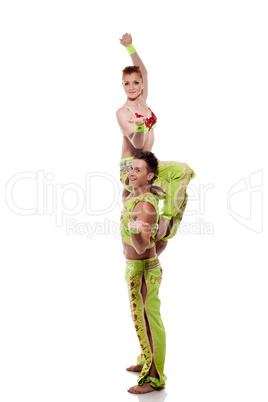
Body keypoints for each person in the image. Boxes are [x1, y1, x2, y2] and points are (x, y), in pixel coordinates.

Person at [116, 33, 195, 255]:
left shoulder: (144, 101)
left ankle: (166, 225)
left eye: (136, 82)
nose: (131, 87)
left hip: (148, 163)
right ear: (122, 86)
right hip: (131, 167)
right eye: (126, 84)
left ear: (141, 84)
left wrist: (130, 47)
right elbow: (136, 142)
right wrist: (139, 126)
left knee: (183, 175)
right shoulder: (123, 112)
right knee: (159, 196)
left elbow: (144, 70)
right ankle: (146, 239)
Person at [121, 151, 166, 394]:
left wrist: (136, 230)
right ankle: (145, 358)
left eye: (137, 170)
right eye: (131, 168)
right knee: (139, 318)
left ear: (149, 176)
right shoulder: (131, 195)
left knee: (150, 321)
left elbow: (141, 246)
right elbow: (124, 162)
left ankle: (155, 377)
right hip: (134, 269)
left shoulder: (146, 206)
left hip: (145, 271)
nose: (130, 173)